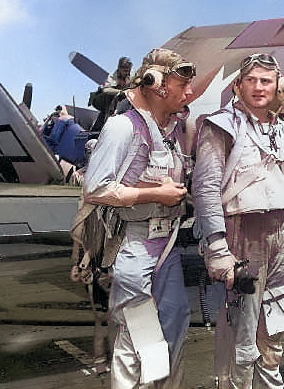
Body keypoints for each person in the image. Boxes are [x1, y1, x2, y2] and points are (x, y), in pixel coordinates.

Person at [74, 48, 195, 388]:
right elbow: (96, 190)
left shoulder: (168, 130)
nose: (188, 93)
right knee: (138, 336)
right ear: (157, 84)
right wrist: (156, 194)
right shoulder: (122, 128)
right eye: (182, 84)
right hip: (133, 246)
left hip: (165, 245)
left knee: (173, 324)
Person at [192, 53, 284, 389]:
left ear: (277, 86)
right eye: (251, 80)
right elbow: (206, 189)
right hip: (241, 236)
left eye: (266, 80)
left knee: (274, 324)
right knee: (241, 333)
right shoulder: (219, 125)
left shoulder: (281, 130)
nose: (259, 87)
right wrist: (218, 247)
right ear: (237, 86)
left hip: (278, 234)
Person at [89, 56, 134, 132]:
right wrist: (120, 92)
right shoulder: (113, 76)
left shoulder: (133, 74)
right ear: (119, 68)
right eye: (124, 70)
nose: (126, 73)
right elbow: (106, 90)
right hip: (113, 102)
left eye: (128, 70)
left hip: (129, 101)